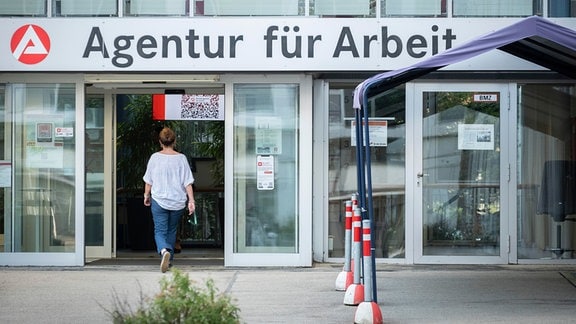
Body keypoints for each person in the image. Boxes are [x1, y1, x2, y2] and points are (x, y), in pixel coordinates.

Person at [143, 127, 195, 273]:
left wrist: (146, 196)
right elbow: (187, 182)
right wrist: (191, 201)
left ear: (160, 142)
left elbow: (148, 181)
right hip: (177, 202)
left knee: (160, 230)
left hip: (159, 200)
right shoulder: (181, 158)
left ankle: (163, 250)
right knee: (171, 230)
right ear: (174, 141)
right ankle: (169, 259)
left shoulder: (154, 158)